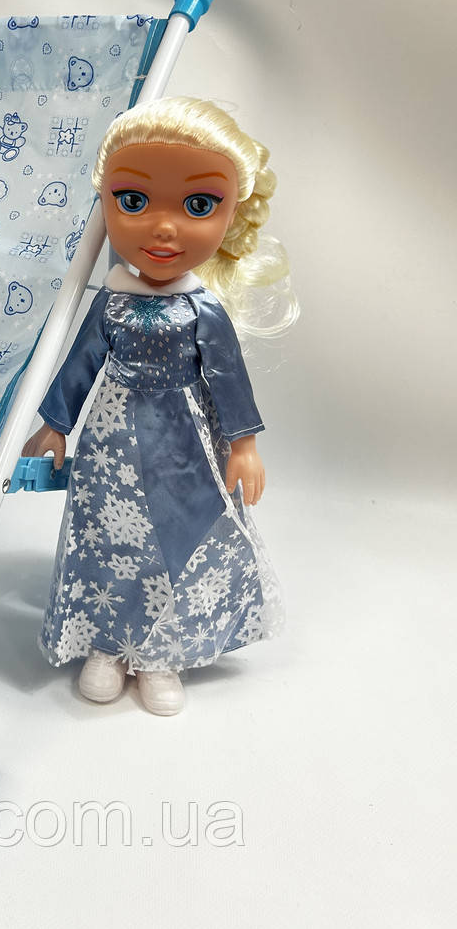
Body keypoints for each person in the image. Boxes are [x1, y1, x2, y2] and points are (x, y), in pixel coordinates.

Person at [23, 97, 296, 714]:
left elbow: (229, 380)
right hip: (112, 440)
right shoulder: (112, 302)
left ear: (232, 213)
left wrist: (244, 444)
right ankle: (107, 642)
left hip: (185, 443)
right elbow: (82, 363)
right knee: (106, 535)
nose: (164, 228)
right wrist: (55, 425)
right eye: (133, 200)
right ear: (105, 201)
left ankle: (160, 652)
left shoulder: (202, 310)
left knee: (180, 537)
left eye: (198, 205)